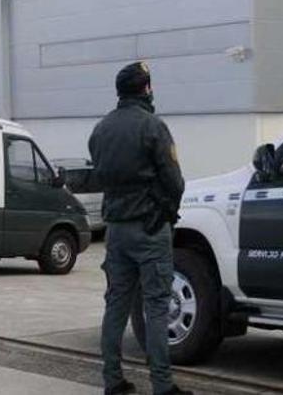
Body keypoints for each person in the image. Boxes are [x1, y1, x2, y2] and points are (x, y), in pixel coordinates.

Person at [90, 61, 192, 395]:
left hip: (116, 230)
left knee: (116, 304)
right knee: (158, 307)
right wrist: (165, 208)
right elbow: (175, 183)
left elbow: (100, 175)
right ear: (146, 89)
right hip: (150, 230)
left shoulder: (101, 129)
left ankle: (113, 380)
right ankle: (162, 386)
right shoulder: (153, 127)